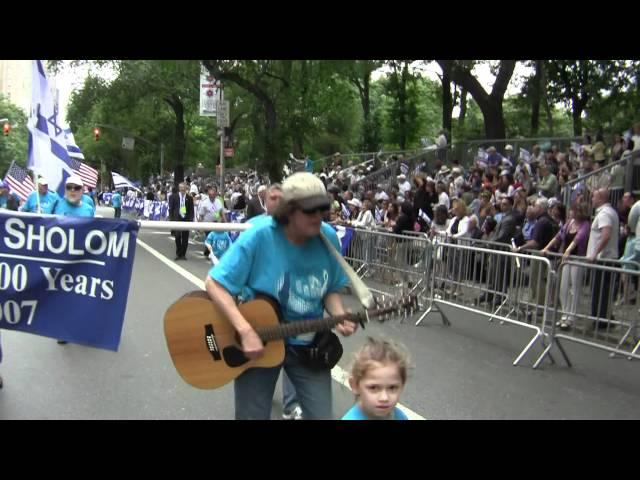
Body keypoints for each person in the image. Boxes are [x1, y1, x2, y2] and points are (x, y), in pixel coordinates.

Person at [204, 172, 357, 420]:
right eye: (310, 211)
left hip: (308, 346)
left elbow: (329, 289)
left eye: (322, 209)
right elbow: (215, 284)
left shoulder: (328, 238)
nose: (319, 217)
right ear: (289, 210)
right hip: (258, 341)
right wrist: (245, 330)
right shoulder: (258, 235)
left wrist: (339, 315)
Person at [51, 175, 95, 344]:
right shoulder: (57, 204)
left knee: (81, 294)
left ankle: (80, 326)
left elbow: (95, 232)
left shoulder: (88, 208)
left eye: (76, 188)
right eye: (69, 187)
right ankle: (63, 330)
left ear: (82, 190)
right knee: (62, 295)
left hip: (81, 260)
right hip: (60, 259)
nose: (72, 191)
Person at [541, 202, 591, 329]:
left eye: (572, 210)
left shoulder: (585, 225)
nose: (570, 213)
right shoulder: (569, 223)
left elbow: (578, 239)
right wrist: (546, 248)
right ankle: (564, 313)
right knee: (563, 287)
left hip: (577, 259)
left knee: (574, 288)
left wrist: (568, 251)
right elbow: (558, 237)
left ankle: (571, 316)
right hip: (566, 260)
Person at [342, 337, 410, 420]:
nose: (384, 398)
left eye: (392, 388)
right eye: (373, 387)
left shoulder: (398, 416)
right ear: (355, 385)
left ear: (402, 385)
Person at [587, 188, 620, 329]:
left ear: (600, 198)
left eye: (593, 197)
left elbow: (606, 235)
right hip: (608, 258)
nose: (592, 200)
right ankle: (604, 317)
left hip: (603, 258)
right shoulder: (611, 212)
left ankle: (600, 320)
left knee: (599, 290)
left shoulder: (604, 214)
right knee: (604, 290)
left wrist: (595, 253)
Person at [168, 182, 195, 261]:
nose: (183, 190)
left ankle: (183, 254)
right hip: (177, 219)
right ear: (179, 188)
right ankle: (178, 253)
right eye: (181, 188)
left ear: (186, 189)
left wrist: (191, 219)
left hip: (186, 219)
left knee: (185, 237)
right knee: (177, 237)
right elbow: (171, 209)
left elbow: (191, 210)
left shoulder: (189, 198)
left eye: (184, 188)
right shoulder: (173, 197)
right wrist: (171, 219)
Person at [198, 185, 226, 256]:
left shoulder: (218, 202)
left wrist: (225, 222)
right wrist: (200, 227)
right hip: (207, 223)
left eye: (213, 195)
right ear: (208, 195)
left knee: (215, 238)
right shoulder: (204, 203)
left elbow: (221, 212)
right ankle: (208, 251)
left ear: (216, 194)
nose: (212, 196)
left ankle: (210, 252)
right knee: (209, 238)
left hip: (216, 223)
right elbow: (201, 215)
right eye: (210, 195)